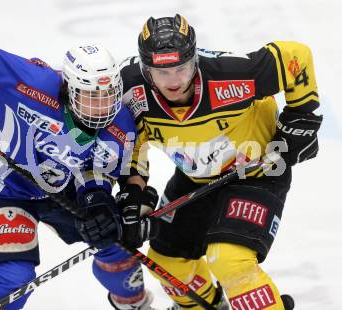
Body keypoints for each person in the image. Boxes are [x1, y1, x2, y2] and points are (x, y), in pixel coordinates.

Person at [0, 37, 159, 309]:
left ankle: (134, 304)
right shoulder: (31, 83)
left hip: (59, 184)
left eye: (108, 95)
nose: (102, 107)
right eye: (90, 96)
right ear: (69, 89)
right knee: (14, 278)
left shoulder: (121, 125)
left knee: (116, 240)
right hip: (0, 182)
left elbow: (96, 171)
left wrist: (98, 201)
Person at [120, 14, 322, 310]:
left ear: (195, 60)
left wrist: (302, 117)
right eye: (162, 73)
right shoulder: (130, 91)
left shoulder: (231, 76)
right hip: (197, 176)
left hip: (259, 171)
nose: (174, 81)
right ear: (145, 69)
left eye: (182, 68)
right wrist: (134, 196)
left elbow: (296, 56)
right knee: (165, 263)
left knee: (229, 260)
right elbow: (132, 143)